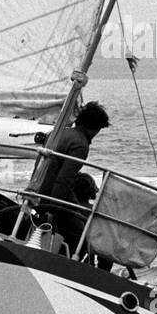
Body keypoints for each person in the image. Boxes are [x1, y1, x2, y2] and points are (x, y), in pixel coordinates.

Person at [37, 100, 110, 243]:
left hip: (36, 189)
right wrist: (52, 209)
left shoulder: (57, 132)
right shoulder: (80, 144)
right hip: (51, 196)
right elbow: (63, 180)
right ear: (93, 128)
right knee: (81, 236)